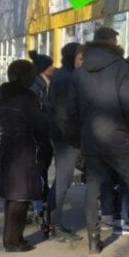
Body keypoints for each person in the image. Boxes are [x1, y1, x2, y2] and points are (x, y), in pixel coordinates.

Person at [67, 27, 129, 253]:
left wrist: (77, 137)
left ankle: (94, 240)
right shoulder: (120, 67)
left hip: (91, 138)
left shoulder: (79, 73)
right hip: (117, 136)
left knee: (92, 187)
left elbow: (71, 111)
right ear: (113, 42)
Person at [0, 60, 44, 252]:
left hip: (8, 145)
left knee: (12, 195)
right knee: (21, 195)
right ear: (25, 76)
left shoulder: (4, 96)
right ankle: (14, 241)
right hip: (23, 146)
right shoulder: (26, 97)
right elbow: (37, 122)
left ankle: (11, 238)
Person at [47, 43, 83, 242]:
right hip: (65, 138)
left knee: (62, 180)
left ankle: (53, 222)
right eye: (80, 59)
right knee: (63, 180)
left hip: (62, 135)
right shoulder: (67, 78)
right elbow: (64, 113)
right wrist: (74, 137)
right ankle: (54, 224)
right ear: (72, 58)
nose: (82, 63)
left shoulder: (62, 75)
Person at [29, 50, 55, 229]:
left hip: (47, 132)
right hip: (40, 134)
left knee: (43, 166)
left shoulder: (46, 83)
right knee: (39, 167)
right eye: (50, 65)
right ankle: (37, 202)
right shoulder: (36, 87)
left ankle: (41, 197)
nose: (53, 68)